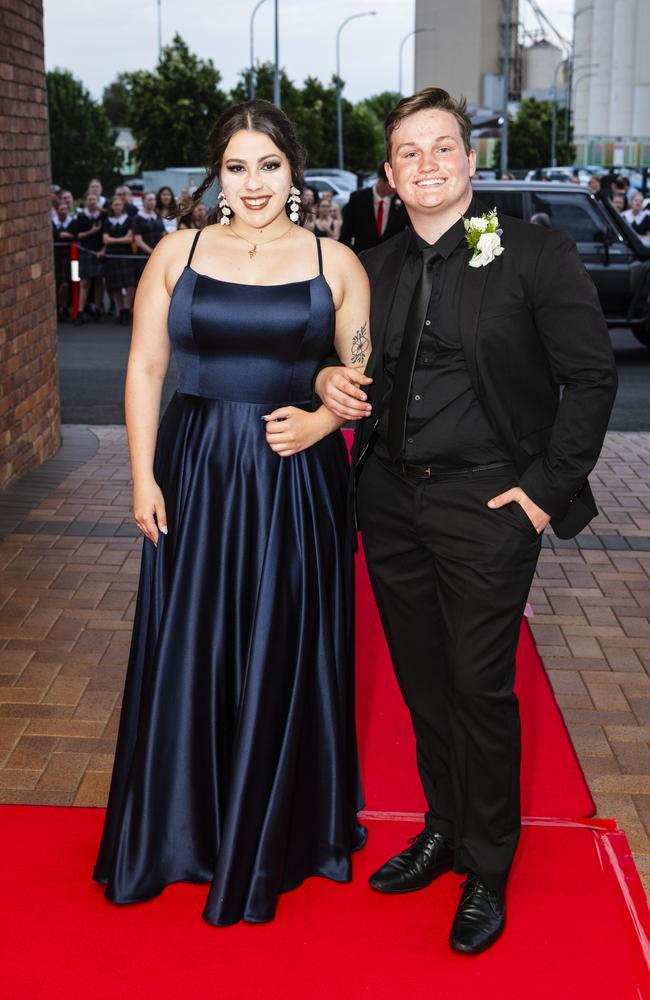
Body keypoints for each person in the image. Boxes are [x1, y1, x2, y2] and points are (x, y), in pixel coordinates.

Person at [315, 87, 617, 955]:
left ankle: (489, 866)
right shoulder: (371, 267)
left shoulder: (533, 252)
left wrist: (541, 493)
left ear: (471, 162)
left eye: (442, 148)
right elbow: (332, 367)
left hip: (489, 505)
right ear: (389, 174)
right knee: (421, 676)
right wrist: (324, 385)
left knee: (479, 685)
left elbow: (591, 380)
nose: (427, 165)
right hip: (391, 502)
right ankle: (442, 824)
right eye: (409, 152)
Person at [92, 98, 370, 927]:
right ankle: (184, 832)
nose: (254, 183)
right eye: (238, 166)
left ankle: (280, 831)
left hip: (296, 473)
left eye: (270, 165)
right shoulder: (176, 253)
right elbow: (146, 368)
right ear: (217, 174)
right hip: (197, 466)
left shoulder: (336, 261)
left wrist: (325, 417)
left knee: (285, 638)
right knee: (194, 639)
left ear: (294, 170)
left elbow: (360, 377)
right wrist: (141, 475)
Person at [340, 162, 409, 253]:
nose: (396, 189)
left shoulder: (402, 201)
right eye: (392, 185)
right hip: (363, 259)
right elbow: (346, 233)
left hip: (393, 259)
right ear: (381, 181)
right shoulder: (357, 199)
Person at [101, 194, 135, 325]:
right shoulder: (107, 221)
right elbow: (105, 239)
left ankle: (127, 309)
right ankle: (120, 311)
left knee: (130, 284)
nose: (117, 207)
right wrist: (121, 239)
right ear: (111, 206)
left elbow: (129, 239)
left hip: (126, 254)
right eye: (115, 204)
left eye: (120, 204)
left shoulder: (129, 220)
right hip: (112, 256)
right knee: (115, 286)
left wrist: (112, 240)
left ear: (123, 206)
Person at [74, 191, 106, 323]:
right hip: (86, 251)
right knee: (84, 282)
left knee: (99, 281)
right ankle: (80, 311)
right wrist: (91, 232)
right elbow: (78, 236)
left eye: (94, 199)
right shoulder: (81, 216)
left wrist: (104, 249)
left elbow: (106, 233)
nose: (92, 202)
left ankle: (98, 310)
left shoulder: (103, 215)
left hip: (100, 252)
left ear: (98, 201)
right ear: (86, 201)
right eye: (90, 200)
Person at [133, 192, 166, 282]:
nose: (152, 202)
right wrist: (152, 252)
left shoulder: (157, 215)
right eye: (149, 199)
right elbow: (138, 241)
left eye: (154, 199)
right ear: (143, 201)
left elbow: (163, 233)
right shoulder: (137, 218)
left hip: (159, 254)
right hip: (145, 256)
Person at [52, 198, 75, 321]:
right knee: (56, 283)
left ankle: (64, 306)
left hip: (68, 257)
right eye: (61, 209)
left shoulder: (72, 222)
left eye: (65, 209)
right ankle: (57, 306)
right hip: (55, 256)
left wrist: (63, 234)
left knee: (66, 284)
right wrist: (63, 234)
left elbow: (74, 234)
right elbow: (56, 234)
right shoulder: (52, 222)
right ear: (57, 210)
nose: (64, 211)